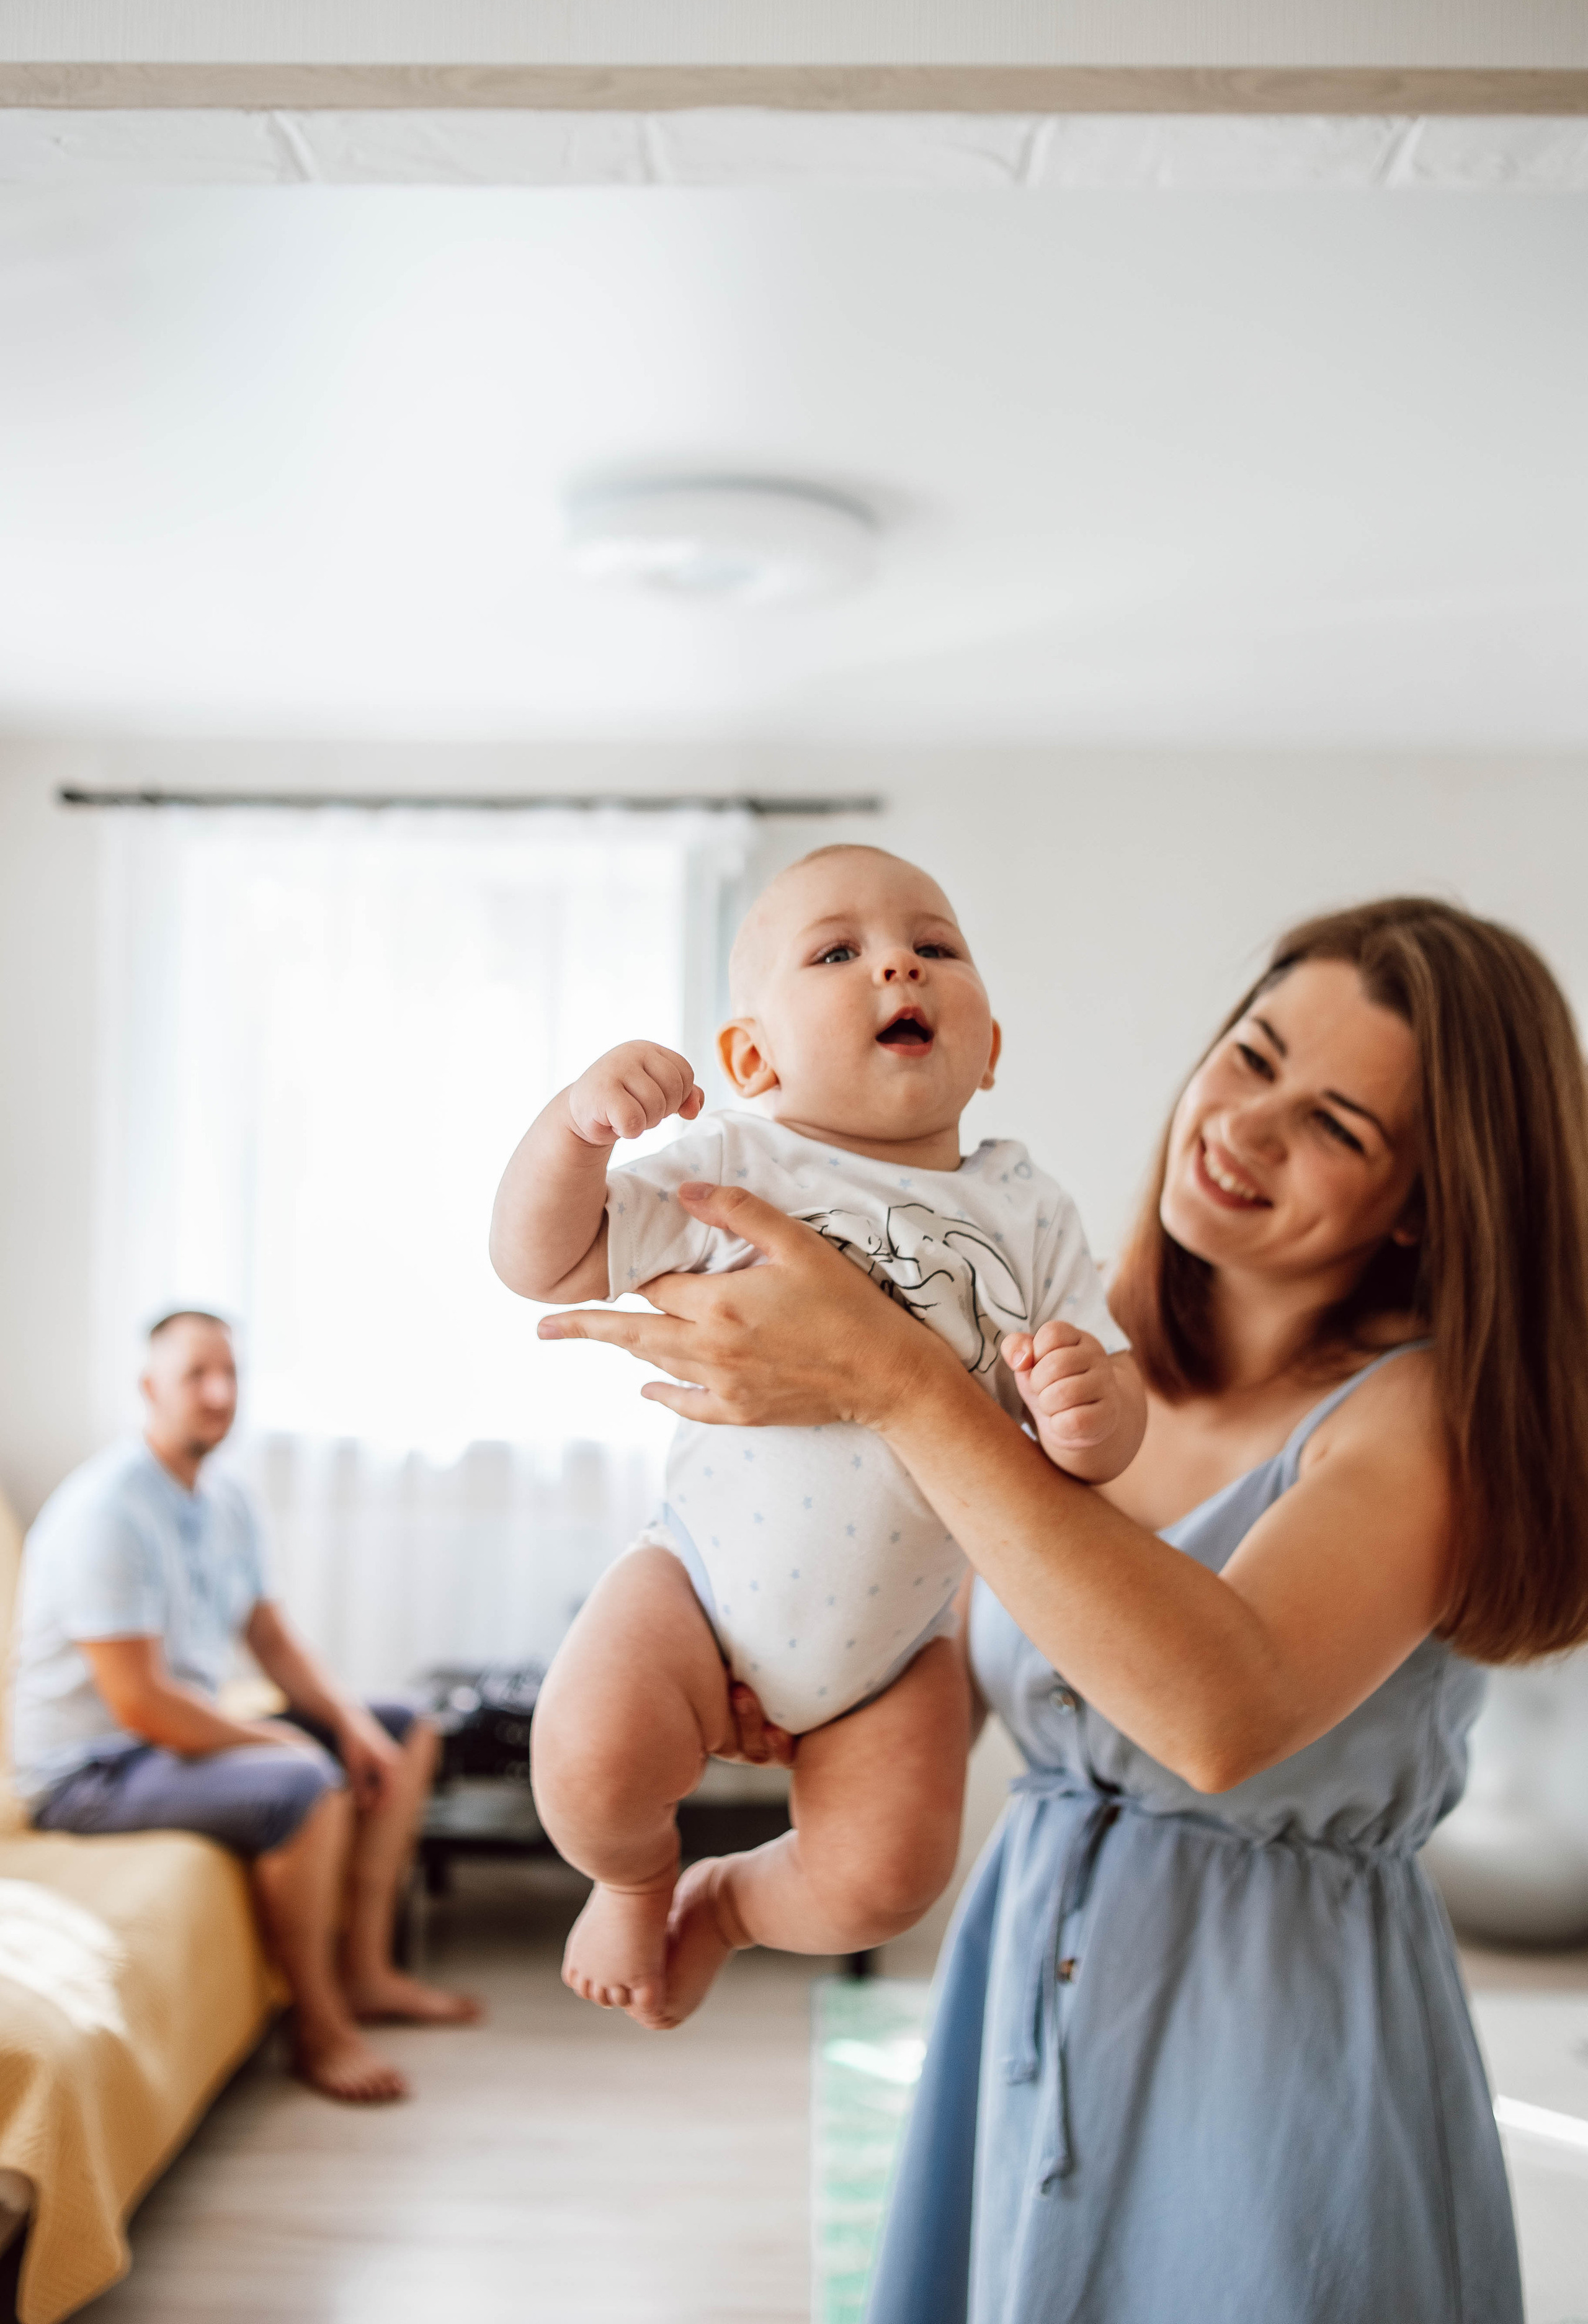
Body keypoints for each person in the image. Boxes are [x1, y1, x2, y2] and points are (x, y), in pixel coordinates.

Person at [533, 896, 1588, 2323]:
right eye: (1251, 1053)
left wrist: (894, 1378)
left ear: (1423, 1195)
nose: (1247, 1123)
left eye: (1336, 1123)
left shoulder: (1418, 1417)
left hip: (1271, 2047)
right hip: (1027, 1980)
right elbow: (954, 1638)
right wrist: (750, 1682)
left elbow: (1220, 1712)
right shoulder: (1078, 1360)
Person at [491, 847, 1144, 2028]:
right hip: (696, 1581)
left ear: (987, 1049)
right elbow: (546, 1262)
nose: (898, 961)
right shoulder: (742, 1163)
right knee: (588, 1769)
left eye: (935, 947)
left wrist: (1091, 1410)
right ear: (752, 1058)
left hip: (898, 1649)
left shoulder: (1028, 1206)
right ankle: (636, 1874)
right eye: (838, 952)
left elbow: (1100, 1430)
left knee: (885, 1883)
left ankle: (730, 1905)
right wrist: (575, 1132)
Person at [9, 1311, 479, 2104]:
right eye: (196, 1374)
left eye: (230, 1374)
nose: (219, 1392)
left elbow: (269, 1636)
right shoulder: (107, 1512)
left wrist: (354, 1726)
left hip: (172, 1738)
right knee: (305, 1787)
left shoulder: (225, 1498)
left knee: (406, 1730)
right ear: (149, 1387)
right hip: (93, 1770)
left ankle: (366, 1973)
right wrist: (280, 1745)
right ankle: (320, 2029)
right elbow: (142, 1705)